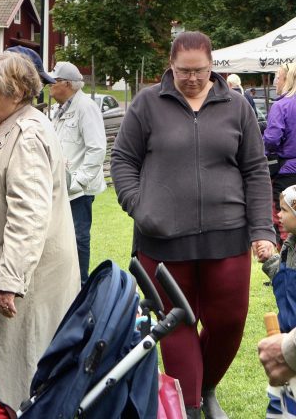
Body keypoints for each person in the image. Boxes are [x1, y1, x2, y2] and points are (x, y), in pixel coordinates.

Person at [111, 31, 276, 419]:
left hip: (228, 236)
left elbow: (254, 171)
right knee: (177, 324)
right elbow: (122, 161)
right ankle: (190, 407)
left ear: (212, 67)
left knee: (229, 321)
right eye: (184, 71)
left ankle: (207, 386)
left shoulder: (237, 106)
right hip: (162, 243)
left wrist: (262, 230)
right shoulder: (147, 104)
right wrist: (140, 205)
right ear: (170, 66)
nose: (192, 79)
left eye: (200, 71)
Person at [0, 51, 80, 408]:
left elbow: (29, 212)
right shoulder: (15, 127)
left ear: (16, 92)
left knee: (22, 368)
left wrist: (10, 280)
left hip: (27, 281)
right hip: (22, 272)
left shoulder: (28, 135)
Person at [49, 61, 107, 283]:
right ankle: (67, 284)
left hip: (78, 190)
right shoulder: (60, 109)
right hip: (64, 186)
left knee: (79, 237)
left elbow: (97, 148)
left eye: (54, 82)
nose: (50, 86)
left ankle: (81, 286)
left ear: (67, 84)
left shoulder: (85, 107)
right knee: (63, 238)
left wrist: (79, 183)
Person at [260, 186, 296, 386]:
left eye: (283, 210)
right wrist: (271, 260)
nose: (278, 215)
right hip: (286, 334)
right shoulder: (289, 246)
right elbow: (285, 280)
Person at [264, 63, 296, 244]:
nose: (275, 81)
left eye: (277, 77)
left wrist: (262, 146)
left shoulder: (282, 106)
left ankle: (288, 266)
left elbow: (272, 139)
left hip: (288, 172)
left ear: (287, 79)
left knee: (286, 221)